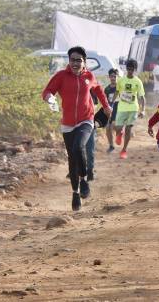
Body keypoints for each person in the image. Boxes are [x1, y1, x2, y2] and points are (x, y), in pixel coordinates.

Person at [42, 46, 111, 211]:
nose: (75, 63)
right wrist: (50, 99)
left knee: (79, 146)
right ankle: (75, 192)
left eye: (78, 60)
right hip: (67, 124)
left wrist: (106, 106)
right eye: (72, 60)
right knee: (72, 160)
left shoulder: (89, 76)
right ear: (69, 61)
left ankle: (84, 180)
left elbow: (99, 90)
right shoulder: (61, 76)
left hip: (86, 119)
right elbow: (47, 91)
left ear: (84, 62)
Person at [114, 59, 145, 159]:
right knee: (117, 128)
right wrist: (109, 103)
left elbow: (141, 97)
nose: (130, 71)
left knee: (128, 129)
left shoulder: (138, 81)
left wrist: (143, 110)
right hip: (122, 108)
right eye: (128, 69)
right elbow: (117, 92)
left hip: (133, 108)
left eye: (132, 69)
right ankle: (119, 133)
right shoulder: (121, 80)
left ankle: (124, 150)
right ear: (126, 69)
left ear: (135, 70)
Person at [104, 68, 119, 153]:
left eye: (114, 76)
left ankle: (121, 132)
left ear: (117, 77)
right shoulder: (107, 89)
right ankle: (111, 146)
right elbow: (105, 101)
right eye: (111, 76)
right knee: (107, 128)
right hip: (110, 108)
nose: (113, 78)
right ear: (109, 77)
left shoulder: (120, 87)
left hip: (119, 108)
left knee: (114, 125)